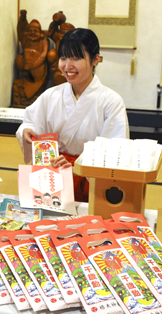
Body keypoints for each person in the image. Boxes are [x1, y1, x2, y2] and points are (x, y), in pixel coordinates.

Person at [16, 28, 129, 202]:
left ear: (95, 60)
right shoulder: (50, 96)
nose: (67, 66)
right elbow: (30, 123)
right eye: (63, 58)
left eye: (76, 58)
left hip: (91, 182)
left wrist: (79, 165)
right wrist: (27, 131)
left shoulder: (111, 101)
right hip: (52, 177)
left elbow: (115, 150)